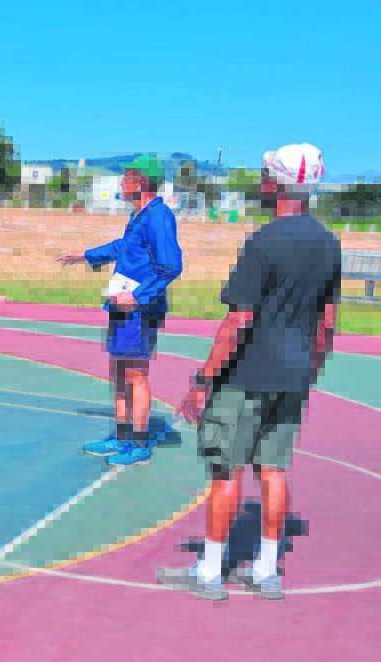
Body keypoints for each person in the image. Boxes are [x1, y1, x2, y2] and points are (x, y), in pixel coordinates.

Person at [157, 143, 339, 601]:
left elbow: (238, 320)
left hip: (246, 374)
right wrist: (311, 368)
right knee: (274, 470)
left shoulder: (263, 241)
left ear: (276, 184)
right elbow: (328, 321)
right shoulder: (328, 243)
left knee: (226, 471)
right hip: (293, 375)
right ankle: (265, 571)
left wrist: (202, 381)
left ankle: (210, 573)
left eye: (264, 172)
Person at [57, 155, 184, 466]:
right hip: (121, 306)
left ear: (139, 181)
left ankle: (138, 445)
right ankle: (122, 436)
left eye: (125, 177)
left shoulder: (159, 216)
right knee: (119, 374)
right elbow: (122, 248)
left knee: (136, 375)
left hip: (139, 310)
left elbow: (171, 266)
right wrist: (85, 256)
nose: (120, 183)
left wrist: (138, 297)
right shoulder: (139, 215)